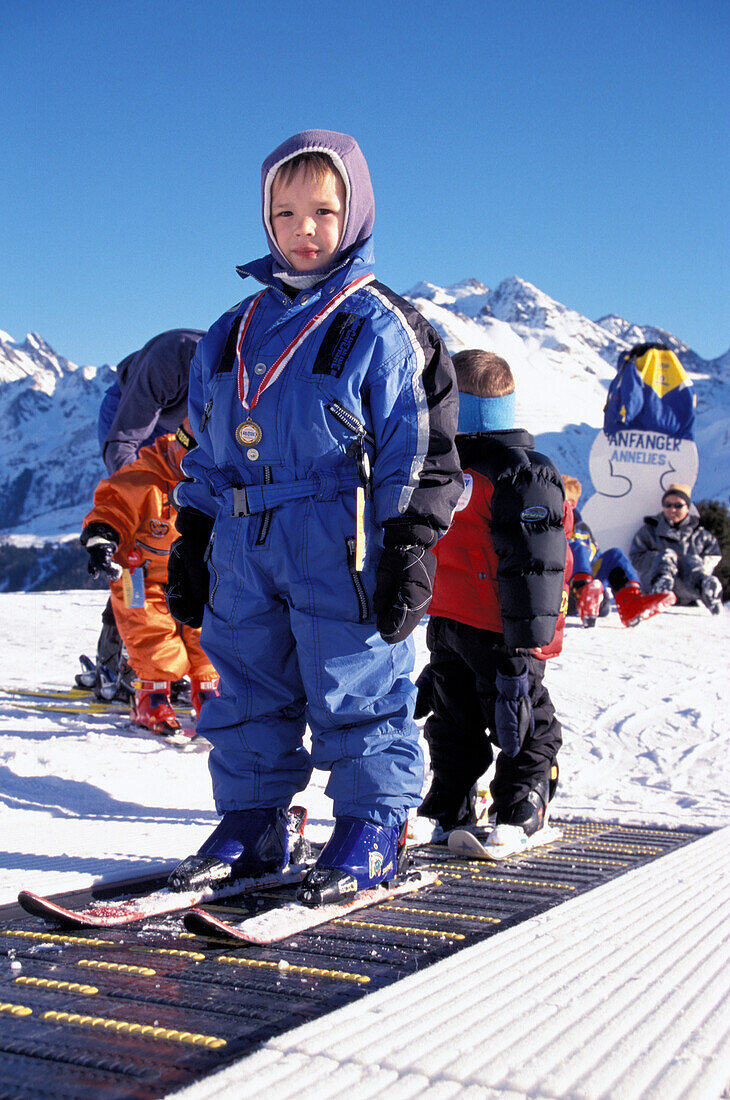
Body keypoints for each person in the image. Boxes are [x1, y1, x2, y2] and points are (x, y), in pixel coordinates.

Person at [164, 129, 463, 904]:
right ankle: (254, 820)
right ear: (266, 220)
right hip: (242, 536)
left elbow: (420, 449)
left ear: (355, 214)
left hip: (340, 533)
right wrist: (192, 533)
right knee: (246, 683)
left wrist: (409, 542)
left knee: (355, 681)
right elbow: (205, 446)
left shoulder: (380, 325)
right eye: (286, 212)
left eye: (324, 212)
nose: (305, 230)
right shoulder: (232, 330)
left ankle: (373, 824)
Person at [415, 349, 567, 849]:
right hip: (451, 622)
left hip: (505, 630)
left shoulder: (521, 473)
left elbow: (538, 563)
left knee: (520, 715)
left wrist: (523, 650)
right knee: (452, 717)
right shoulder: (446, 466)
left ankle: (526, 793)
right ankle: (454, 797)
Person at [77, 329, 205, 701]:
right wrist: (129, 501)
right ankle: (119, 665)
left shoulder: (244, 377)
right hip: (132, 424)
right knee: (136, 556)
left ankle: (177, 666)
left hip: (185, 438)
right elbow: (123, 442)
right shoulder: (172, 361)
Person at [80, 422, 219, 733]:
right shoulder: (145, 477)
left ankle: (209, 693)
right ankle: (150, 698)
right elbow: (112, 507)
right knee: (150, 632)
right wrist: (102, 538)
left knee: (207, 629)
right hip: (138, 574)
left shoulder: (215, 479)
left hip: (192, 570)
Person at [561, 475, 676, 628]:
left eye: (563, 500)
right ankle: (585, 595)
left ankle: (630, 603)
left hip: (595, 597)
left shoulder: (582, 529)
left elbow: (596, 559)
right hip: (562, 594)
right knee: (578, 548)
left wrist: (595, 584)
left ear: (573, 504)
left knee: (615, 555)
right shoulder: (547, 525)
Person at [630, 484, 723, 614]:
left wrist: (693, 565)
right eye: (668, 505)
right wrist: (661, 559)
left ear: (687, 507)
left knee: (690, 561)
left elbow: (713, 555)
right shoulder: (649, 531)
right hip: (653, 583)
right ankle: (662, 586)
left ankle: (706, 587)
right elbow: (636, 557)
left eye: (678, 505)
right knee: (667, 557)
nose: (672, 509)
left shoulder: (700, 534)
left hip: (688, 587)